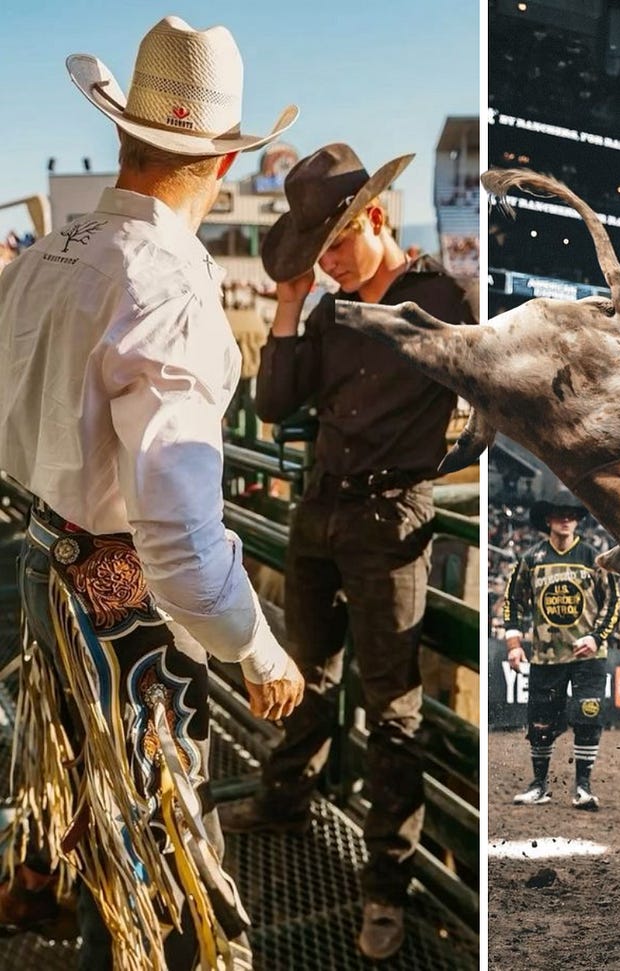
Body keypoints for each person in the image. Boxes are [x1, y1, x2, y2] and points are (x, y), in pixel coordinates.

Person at [0, 17, 305, 968]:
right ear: (218, 162)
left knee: (104, 832)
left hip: (42, 563)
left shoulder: (49, 256)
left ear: (125, 136)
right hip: (119, 603)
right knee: (157, 881)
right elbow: (175, 536)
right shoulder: (170, 282)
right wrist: (259, 650)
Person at [217, 142, 477, 960]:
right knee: (303, 672)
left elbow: (493, 402)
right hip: (319, 518)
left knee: (395, 715)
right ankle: (286, 798)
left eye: (333, 246)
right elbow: (271, 402)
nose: (326, 265)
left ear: (376, 216)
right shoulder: (325, 311)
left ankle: (383, 889)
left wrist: (437, 465)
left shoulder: (443, 299)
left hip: (390, 526)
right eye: (315, 252)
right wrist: (290, 304)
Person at [502, 490, 620, 810]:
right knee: (540, 722)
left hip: (588, 656)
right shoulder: (532, 559)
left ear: (579, 520)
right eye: (560, 514)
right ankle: (539, 785)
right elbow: (512, 601)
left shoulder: (594, 558)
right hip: (545, 656)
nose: (567, 520)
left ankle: (583, 786)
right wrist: (514, 644)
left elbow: (612, 605)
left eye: (572, 514)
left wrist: (596, 637)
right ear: (548, 519)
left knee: (587, 716)